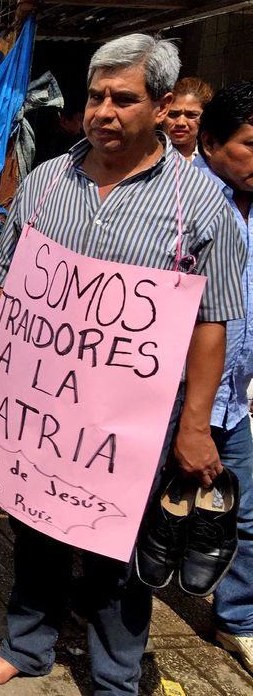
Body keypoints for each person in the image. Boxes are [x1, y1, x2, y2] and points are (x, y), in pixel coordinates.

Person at [0, 34, 244, 696]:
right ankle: (27, 644)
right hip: (43, 410)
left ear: (162, 107)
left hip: (134, 425)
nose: (103, 111)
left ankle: (117, 675)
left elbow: (214, 324)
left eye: (124, 98)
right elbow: (6, 284)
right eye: (96, 96)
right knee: (33, 529)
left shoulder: (199, 204)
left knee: (115, 555)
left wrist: (197, 425)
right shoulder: (44, 183)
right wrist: (0, 374)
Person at [197, 80, 253, 675]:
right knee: (146, 516)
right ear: (212, 143)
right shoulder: (186, 207)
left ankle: (236, 617)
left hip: (236, 400)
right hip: (178, 400)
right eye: (249, 144)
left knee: (248, 516)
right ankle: (101, 601)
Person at [163, 76, 213, 163]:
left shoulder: (213, 161)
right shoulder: (144, 157)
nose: (180, 123)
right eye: (173, 114)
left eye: (191, 115)